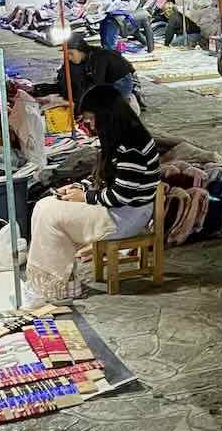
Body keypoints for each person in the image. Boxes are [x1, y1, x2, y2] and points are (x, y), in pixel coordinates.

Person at [26, 84, 160, 302]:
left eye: (89, 118)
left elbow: (120, 196)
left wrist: (85, 197)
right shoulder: (119, 137)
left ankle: (56, 284)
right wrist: (80, 188)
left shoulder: (132, 145)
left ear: (106, 115)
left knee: (51, 216)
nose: (88, 124)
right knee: (44, 205)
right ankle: (58, 281)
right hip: (117, 209)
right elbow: (104, 177)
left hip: (127, 215)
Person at [44, 30, 137, 114]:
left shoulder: (100, 58)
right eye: (66, 54)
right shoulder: (77, 59)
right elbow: (67, 81)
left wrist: (75, 104)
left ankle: (129, 98)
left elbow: (96, 87)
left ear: (82, 50)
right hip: (103, 80)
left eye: (71, 53)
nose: (68, 57)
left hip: (121, 81)